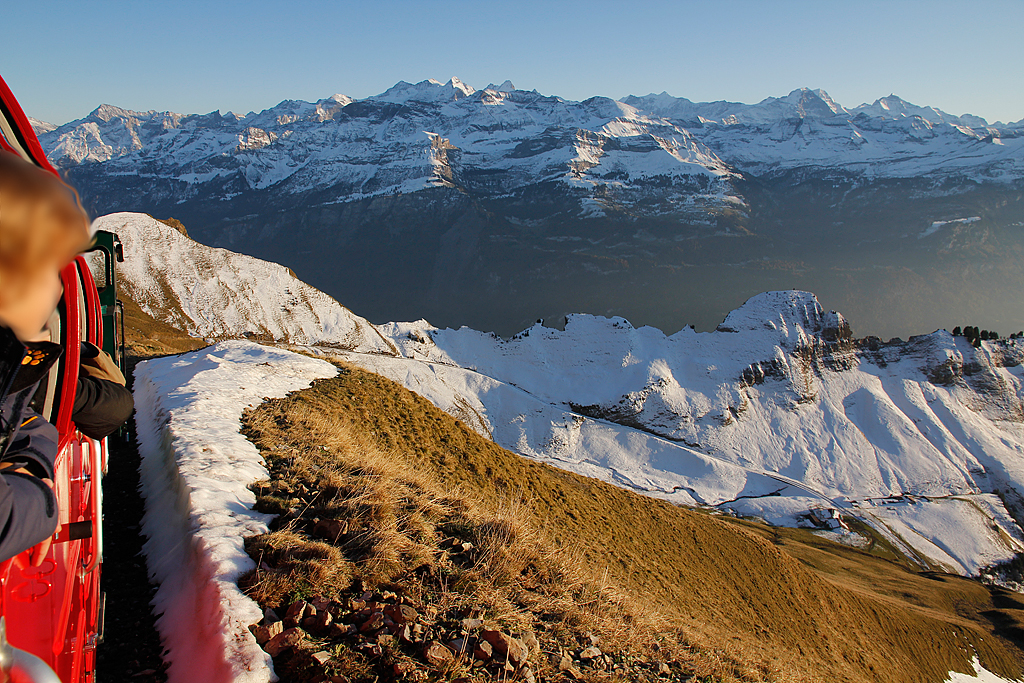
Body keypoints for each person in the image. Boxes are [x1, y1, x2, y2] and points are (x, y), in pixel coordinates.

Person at [0, 151, 91, 565]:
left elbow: (25, 421)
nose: (56, 294)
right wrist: (37, 502)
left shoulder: (12, 363)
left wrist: (28, 460)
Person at [73, 341, 134, 440]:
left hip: (108, 398)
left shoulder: (118, 380)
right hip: (102, 421)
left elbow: (91, 352)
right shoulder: (114, 381)